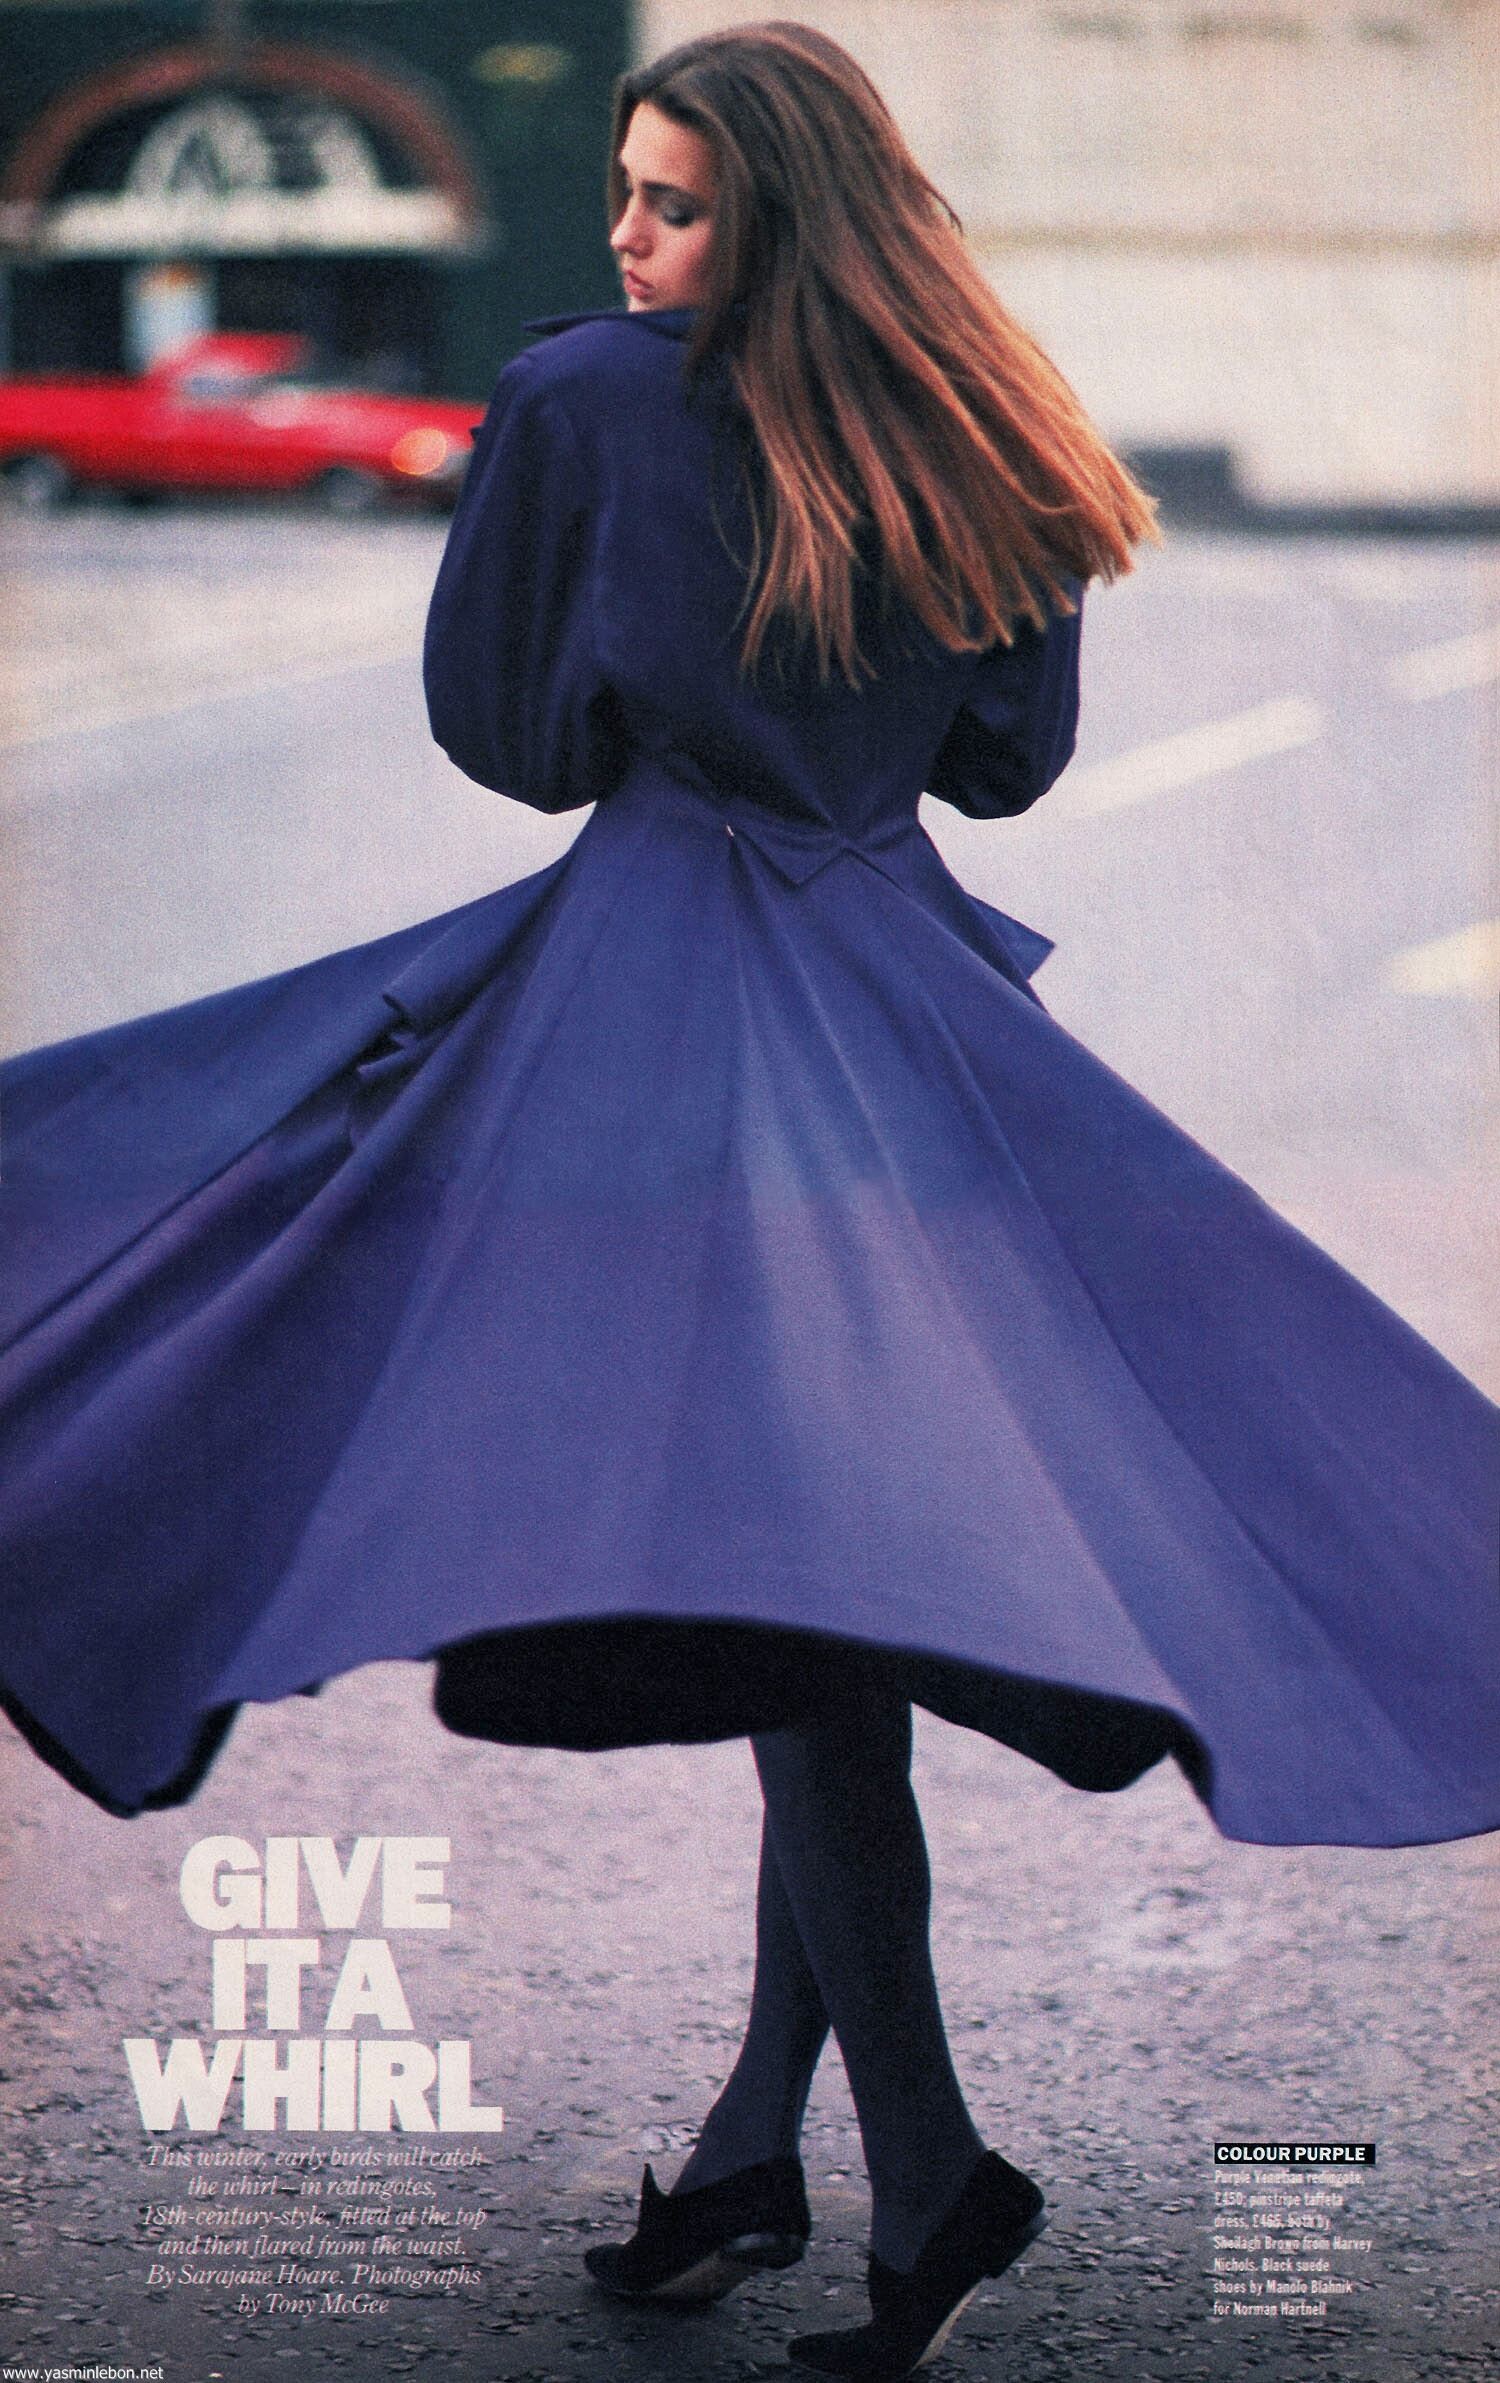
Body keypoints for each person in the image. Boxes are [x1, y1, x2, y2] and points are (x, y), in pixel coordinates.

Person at [0, 19, 1495, 2381]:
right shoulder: (983, 409)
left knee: (787, 1593)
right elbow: (1007, 763)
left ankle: (924, 2169)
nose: (625, 235)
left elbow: (511, 737)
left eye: (673, 201)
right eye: (622, 191)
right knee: (826, 1587)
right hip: (899, 1017)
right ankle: (764, 2157)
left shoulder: (584, 403)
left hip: (669, 1019)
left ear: (777, 213)